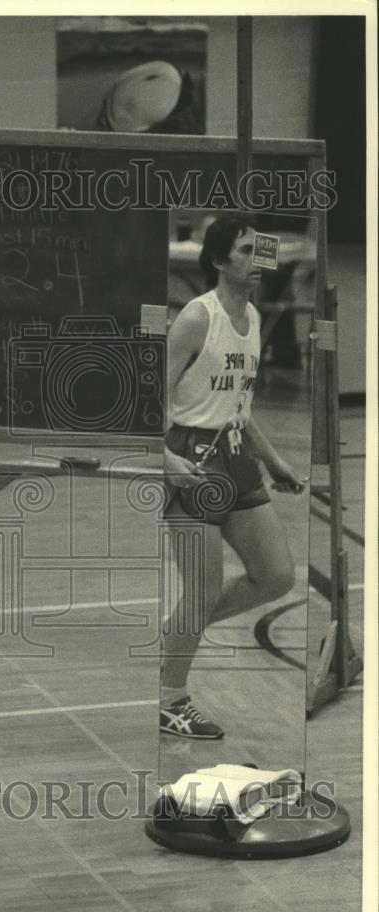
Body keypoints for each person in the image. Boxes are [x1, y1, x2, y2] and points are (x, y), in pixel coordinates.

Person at [160, 215, 307, 739]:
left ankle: (177, 636)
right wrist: (166, 460)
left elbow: (240, 406)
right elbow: (150, 396)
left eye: (258, 250)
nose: (257, 259)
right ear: (221, 261)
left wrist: (273, 460)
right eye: (246, 250)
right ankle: (171, 699)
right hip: (192, 456)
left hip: (238, 456)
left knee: (276, 576)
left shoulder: (255, 319)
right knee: (199, 591)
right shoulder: (197, 318)